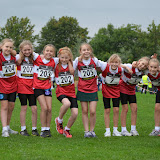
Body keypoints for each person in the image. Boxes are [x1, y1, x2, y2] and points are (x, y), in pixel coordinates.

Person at [99, 54, 132, 137]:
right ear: (109, 62)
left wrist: (126, 68)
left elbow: (131, 66)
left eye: (116, 62)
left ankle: (115, 130)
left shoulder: (120, 69)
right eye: (112, 62)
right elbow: (97, 62)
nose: (114, 64)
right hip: (106, 91)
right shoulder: (105, 67)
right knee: (107, 110)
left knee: (116, 110)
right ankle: (107, 130)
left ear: (119, 63)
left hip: (116, 91)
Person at [73, 43, 100, 138]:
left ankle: (92, 131)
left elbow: (107, 65)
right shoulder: (77, 60)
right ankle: (86, 131)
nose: (86, 51)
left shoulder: (94, 60)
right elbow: (70, 68)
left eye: (88, 49)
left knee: (92, 111)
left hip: (93, 89)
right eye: (84, 50)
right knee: (84, 110)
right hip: (82, 88)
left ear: (91, 51)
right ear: (80, 52)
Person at [33, 44, 58, 138]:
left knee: (49, 108)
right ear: (43, 51)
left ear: (54, 53)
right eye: (47, 51)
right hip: (37, 87)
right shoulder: (37, 58)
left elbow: (66, 55)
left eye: (51, 51)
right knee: (44, 108)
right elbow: (27, 50)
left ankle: (47, 129)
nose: (49, 53)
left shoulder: (54, 61)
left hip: (47, 87)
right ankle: (43, 129)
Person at [120, 57, 149, 136]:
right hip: (123, 87)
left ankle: (133, 129)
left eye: (145, 66)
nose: (143, 66)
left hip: (132, 89)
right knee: (125, 109)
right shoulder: (130, 66)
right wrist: (126, 67)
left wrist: (153, 61)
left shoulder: (144, 72)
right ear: (139, 62)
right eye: (142, 64)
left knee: (134, 108)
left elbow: (154, 69)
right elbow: (118, 64)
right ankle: (123, 130)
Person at [16, 40, 39, 136]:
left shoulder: (34, 57)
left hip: (32, 86)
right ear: (21, 50)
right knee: (24, 107)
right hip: (21, 85)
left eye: (29, 49)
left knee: (34, 108)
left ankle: (34, 129)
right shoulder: (18, 57)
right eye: (25, 50)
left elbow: (43, 56)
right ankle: (23, 129)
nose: (27, 52)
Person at [55, 47, 78, 138]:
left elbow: (72, 72)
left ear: (69, 58)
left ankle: (67, 129)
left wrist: (69, 62)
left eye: (66, 58)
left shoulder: (72, 64)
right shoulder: (56, 64)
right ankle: (59, 120)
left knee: (75, 113)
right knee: (67, 103)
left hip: (71, 91)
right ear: (59, 57)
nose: (64, 59)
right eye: (62, 57)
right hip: (61, 90)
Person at [0, 38, 18, 137]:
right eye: (6, 46)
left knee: (11, 107)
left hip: (13, 85)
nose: (8, 49)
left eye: (10, 47)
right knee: (4, 107)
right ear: (2, 46)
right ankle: (4, 130)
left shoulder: (13, 57)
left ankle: (7, 126)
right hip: (2, 85)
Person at [147, 58, 160, 136]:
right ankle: (157, 129)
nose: (153, 69)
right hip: (159, 90)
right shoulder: (146, 72)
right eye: (151, 67)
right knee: (157, 108)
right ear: (148, 67)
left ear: (158, 67)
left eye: (155, 67)